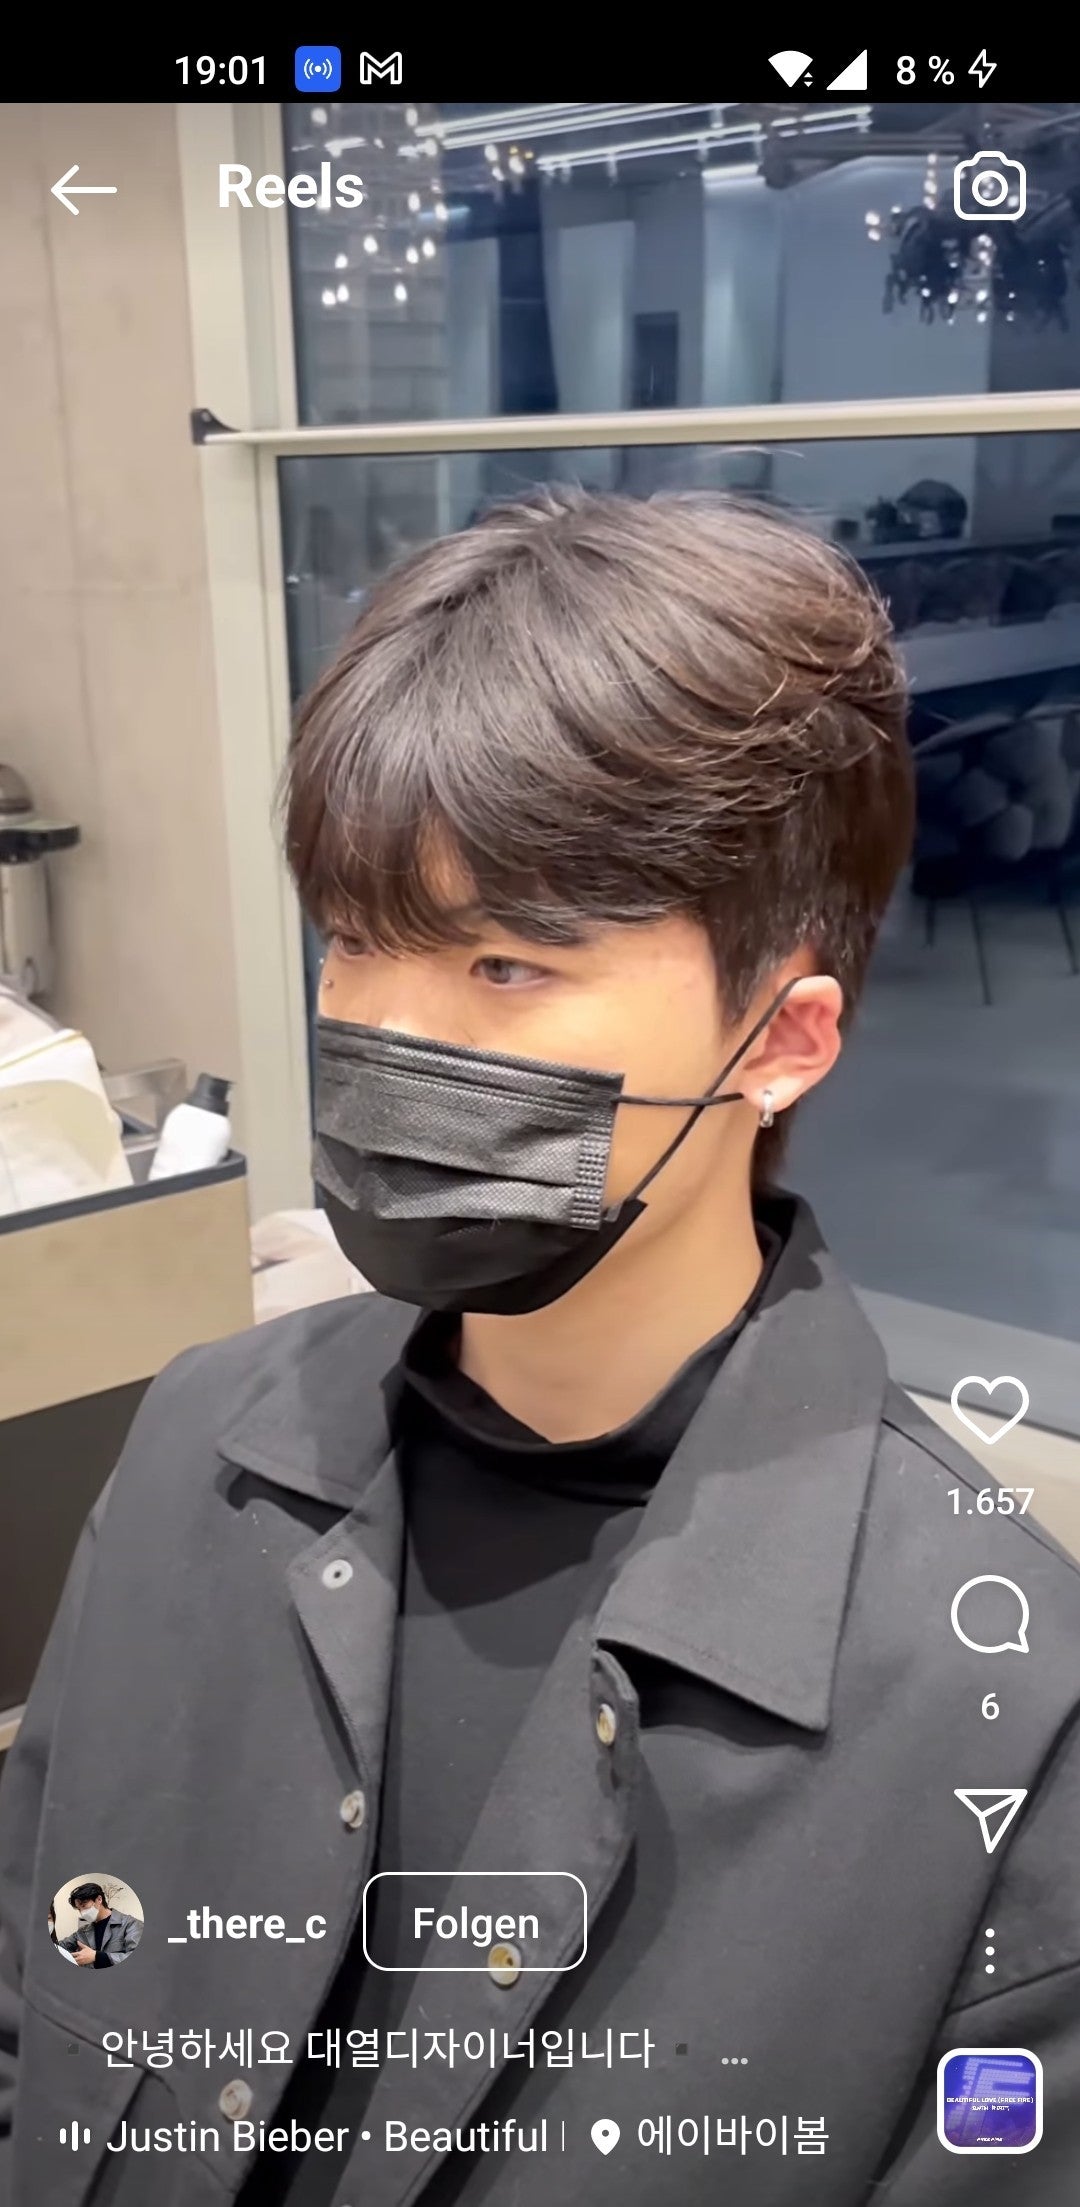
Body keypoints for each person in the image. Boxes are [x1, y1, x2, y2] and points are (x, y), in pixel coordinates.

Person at [1, 487, 1078, 2207]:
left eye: (505, 965)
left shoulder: (1002, 1707)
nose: (386, 1033)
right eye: (360, 941)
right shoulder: (202, 1438)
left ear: (783, 1038)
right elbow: (36, 2004)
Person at [53, 1883, 142, 1970]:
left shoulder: (131, 1924)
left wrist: (97, 1956)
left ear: (99, 1899)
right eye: (79, 1909)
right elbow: (60, 1947)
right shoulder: (82, 1932)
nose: (82, 1912)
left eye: (84, 1905)